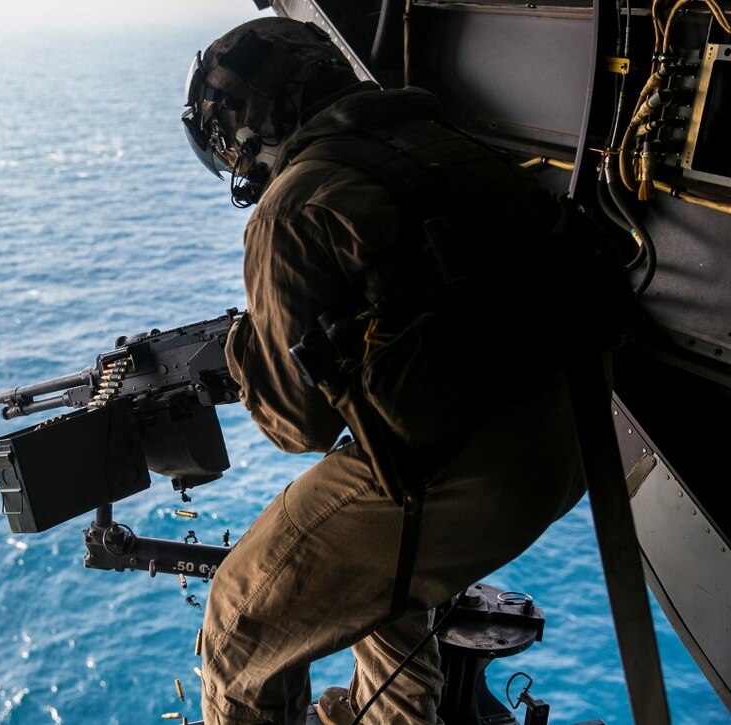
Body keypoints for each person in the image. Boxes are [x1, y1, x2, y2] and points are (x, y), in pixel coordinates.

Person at [181, 17, 591, 725]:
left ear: (256, 126)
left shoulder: (290, 209)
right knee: (360, 557)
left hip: (471, 474)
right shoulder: (445, 143)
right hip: (569, 434)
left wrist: (247, 352)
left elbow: (295, 424)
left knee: (239, 617)